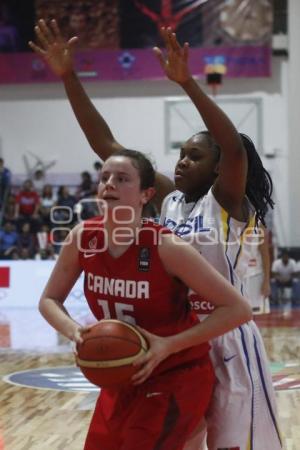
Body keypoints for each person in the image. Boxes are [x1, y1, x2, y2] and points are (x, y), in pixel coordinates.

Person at [30, 22, 281, 450]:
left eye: (195, 157)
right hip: (174, 345)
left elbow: (234, 147)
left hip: (227, 339)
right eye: (180, 155)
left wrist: (187, 83)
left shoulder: (227, 204)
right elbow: (106, 145)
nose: (182, 163)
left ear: (219, 168)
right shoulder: (168, 200)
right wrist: (68, 77)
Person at [39, 149, 251, 450]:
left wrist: (168, 345)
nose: (109, 184)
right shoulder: (82, 238)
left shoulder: (166, 247)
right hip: (122, 375)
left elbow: (238, 309)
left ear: (146, 194)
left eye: (122, 178)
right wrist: (75, 332)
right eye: (105, 177)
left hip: (175, 374)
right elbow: (49, 299)